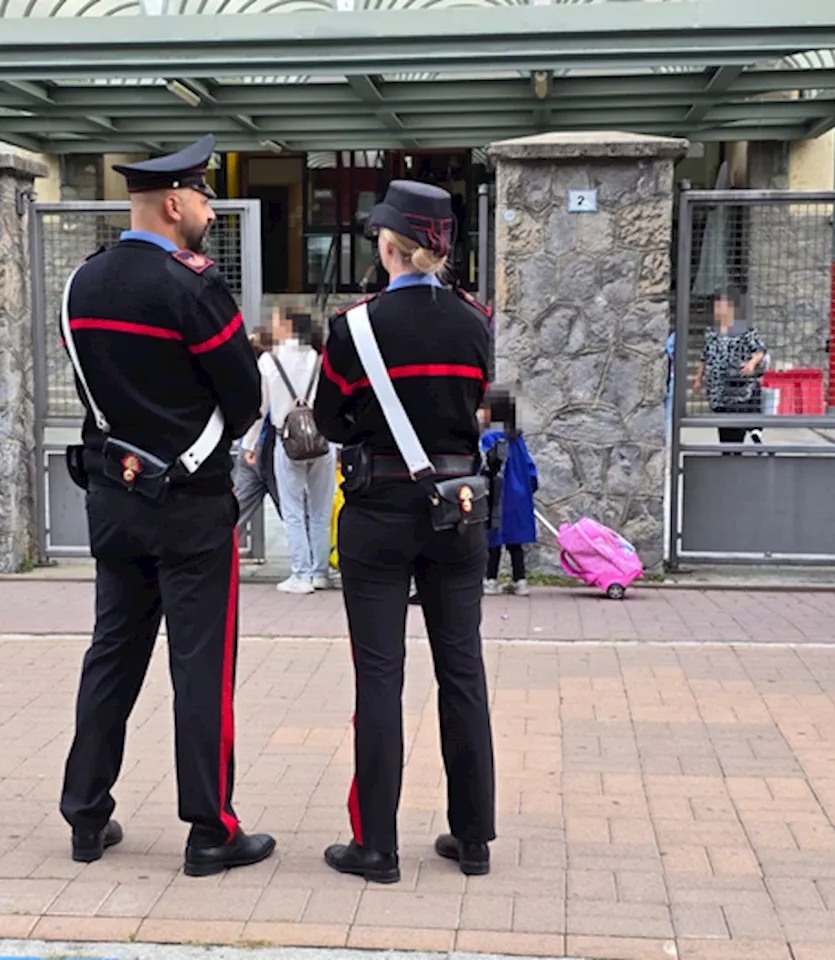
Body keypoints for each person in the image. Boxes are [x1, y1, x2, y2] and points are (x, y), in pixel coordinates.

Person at [58, 134, 274, 877]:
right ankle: (210, 831)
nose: (211, 212)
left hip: (115, 501)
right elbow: (245, 400)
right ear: (176, 203)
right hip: (191, 504)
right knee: (200, 668)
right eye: (207, 199)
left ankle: (86, 815)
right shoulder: (193, 287)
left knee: (112, 655)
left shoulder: (81, 284)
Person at [314, 180, 495, 883]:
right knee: (463, 674)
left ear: (388, 247)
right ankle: (473, 838)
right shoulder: (476, 321)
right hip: (458, 511)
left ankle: (377, 847)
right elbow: (485, 400)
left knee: (379, 679)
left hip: (378, 511)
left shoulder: (353, 328)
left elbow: (330, 422)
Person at [244, 307, 335, 594]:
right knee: (320, 510)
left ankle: (301, 573)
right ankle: (320, 572)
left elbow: (259, 409)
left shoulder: (269, 361)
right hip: (323, 441)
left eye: (275, 320)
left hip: (288, 441)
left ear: (287, 325)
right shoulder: (320, 358)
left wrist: (250, 445)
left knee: (294, 509)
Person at [479, 391, 538, 597]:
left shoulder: (489, 438)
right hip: (518, 496)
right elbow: (530, 468)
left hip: (497, 496)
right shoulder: (516, 438)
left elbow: (485, 466)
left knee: (493, 539)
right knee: (515, 542)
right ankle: (520, 580)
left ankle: (491, 580)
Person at [692, 290, 767, 447]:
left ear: (731, 309)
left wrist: (751, 363)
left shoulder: (743, 330)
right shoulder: (712, 333)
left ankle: (747, 437)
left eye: (721, 307)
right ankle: (733, 446)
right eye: (716, 307)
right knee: (724, 427)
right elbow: (704, 356)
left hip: (736, 388)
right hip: (717, 390)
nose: (718, 311)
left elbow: (760, 351)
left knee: (735, 424)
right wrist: (698, 378)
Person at [234, 331, 281, 531]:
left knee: (237, 513)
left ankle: (224, 556)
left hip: (249, 447)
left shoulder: (255, 371)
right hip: (271, 448)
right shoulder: (276, 368)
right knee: (293, 512)